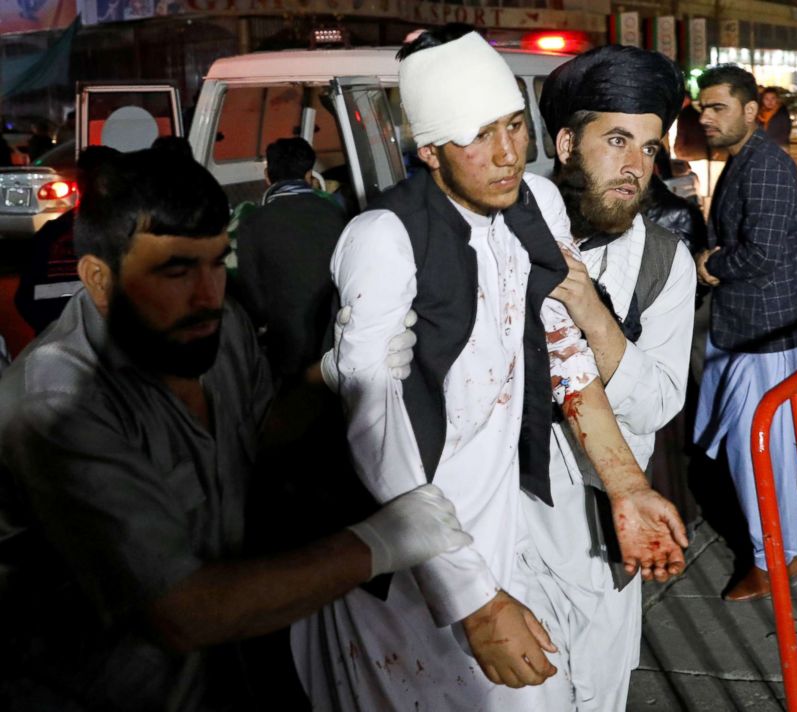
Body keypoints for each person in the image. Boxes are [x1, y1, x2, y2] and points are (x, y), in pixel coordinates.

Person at [292, 27, 687, 711]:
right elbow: (376, 429)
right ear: (431, 150)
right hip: (411, 574)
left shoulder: (535, 205)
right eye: (480, 136)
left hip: (502, 543)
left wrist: (626, 487)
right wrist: (471, 601)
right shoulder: (385, 238)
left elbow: (564, 350)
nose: (508, 155)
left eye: (513, 126)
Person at [0, 146, 471, 712]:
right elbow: (180, 612)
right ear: (100, 280)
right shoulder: (54, 400)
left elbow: (260, 433)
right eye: (175, 270)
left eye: (216, 262)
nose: (208, 295)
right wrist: (377, 544)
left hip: (227, 671)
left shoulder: (218, 333)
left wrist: (332, 374)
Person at [532, 45, 696, 709]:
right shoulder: (496, 239)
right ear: (568, 142)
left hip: (603, 539)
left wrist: (592, 314)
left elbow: (658, 401)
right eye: (617, 140)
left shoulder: (665, 262)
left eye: (650, 148)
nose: (634, 167)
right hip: (504, 532)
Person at [693, 65, 797, 601]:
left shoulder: (763, 164)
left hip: (763, 331)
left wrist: (713, 263)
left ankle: (772, 562)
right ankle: (779, 557)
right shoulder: (745, 158)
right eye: (703, 107)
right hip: (754, 327)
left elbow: (765, 252)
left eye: (718, 106)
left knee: (759, 454)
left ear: (750, 111)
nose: (706, 116)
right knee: (765, 451)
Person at [234, 136, 347, 378]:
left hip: (285, 350)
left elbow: (252, 298)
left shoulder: (253, 223)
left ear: (267, 175)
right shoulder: (336, 214)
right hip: (336, 343)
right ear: (309, 175)